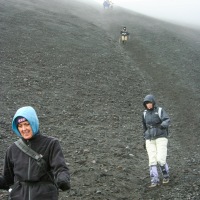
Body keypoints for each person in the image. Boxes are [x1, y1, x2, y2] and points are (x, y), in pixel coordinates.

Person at [0, 106, 70, 200]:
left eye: (27, 124)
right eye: (20, 126)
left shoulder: (51, 144)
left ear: (34, 123)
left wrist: (62, 179)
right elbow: (7, 180)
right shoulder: (12, 149)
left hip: (45, 196)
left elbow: (60, 168)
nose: (24, 129)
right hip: (18, 196)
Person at [142, 94, 170, 187]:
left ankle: (165, 175)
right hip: (149, 138)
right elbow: (144, 127)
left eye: (149, 103)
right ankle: (154, 180)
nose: (148, 105)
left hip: (161, 136)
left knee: (160, 159)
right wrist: (144, 138)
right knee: (152, 160)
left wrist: (163, 125)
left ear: (153, 102)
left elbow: (166, 119)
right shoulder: (144, 113)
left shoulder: (159, 110)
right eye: (146, 103)